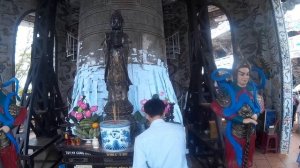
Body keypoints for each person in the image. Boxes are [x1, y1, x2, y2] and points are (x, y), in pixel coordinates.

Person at [211, 61, 266, 168]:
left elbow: (259, 105)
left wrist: (256, 114)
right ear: (235, 74)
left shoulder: (252, 88)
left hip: (251, 132)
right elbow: (216, 107)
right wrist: (241, 120)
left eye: (247, 74)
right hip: (234, 133)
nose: (245, 77)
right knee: (234, 161)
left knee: (248, 160)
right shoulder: (229, 89)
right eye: (241, 74)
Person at [132, 97, 188, 168]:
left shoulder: (140, 139)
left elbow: (139, 166)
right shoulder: (180, 130)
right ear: (164, 112)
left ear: (146, 116)